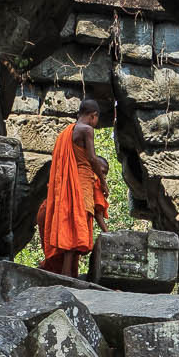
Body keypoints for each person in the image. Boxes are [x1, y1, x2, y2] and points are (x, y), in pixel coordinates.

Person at [39, 98, 109, 278]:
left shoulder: (66, 132)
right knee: (77, 223)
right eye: (96, 119)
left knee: (70, 223)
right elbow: (92, 158)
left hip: (68, 182)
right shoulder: (87, 130)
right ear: (93, 116)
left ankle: (67, 271)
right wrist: (103, 182)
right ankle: (66, 272)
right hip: (81, 181)